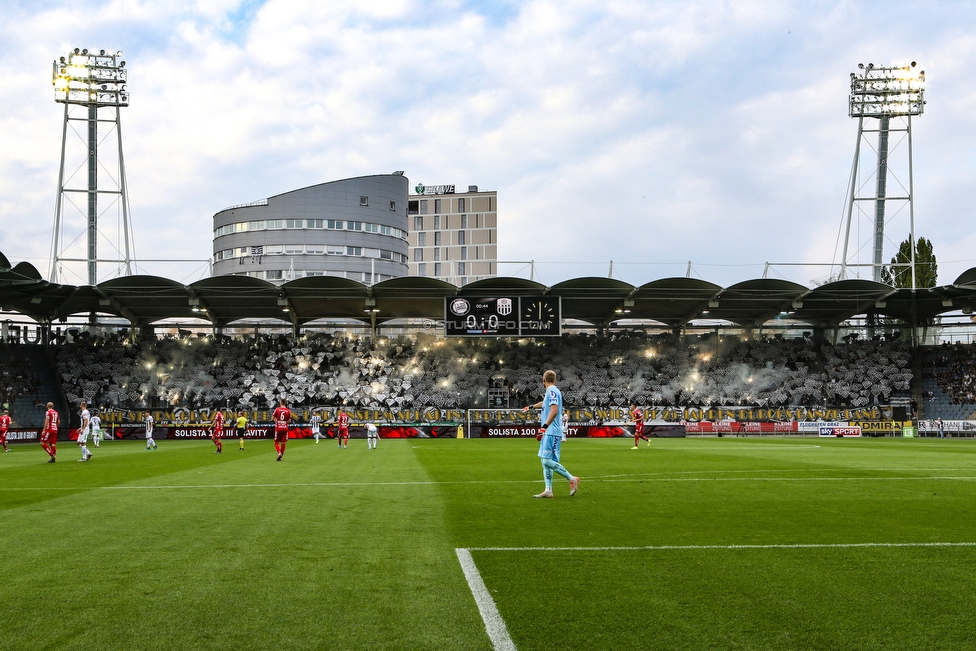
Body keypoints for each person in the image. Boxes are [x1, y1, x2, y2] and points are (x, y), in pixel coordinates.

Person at [522, 370, 579, 498]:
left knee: (547, 461)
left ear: (544, 380)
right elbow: (544, 403)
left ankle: (572, 479)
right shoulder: (551, 391)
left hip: (552, 431)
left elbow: (554, 410)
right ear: (555, 379)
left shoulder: (552, 391)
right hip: (549, 431)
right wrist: (530, 407)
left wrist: (544, 427)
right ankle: (548, 490)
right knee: (544, 460)